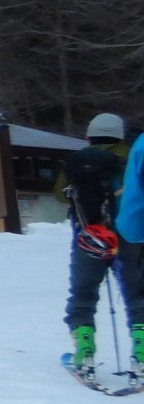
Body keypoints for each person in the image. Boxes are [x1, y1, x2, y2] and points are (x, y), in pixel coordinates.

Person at [63, 112, 143, 367]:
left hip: (89, 236)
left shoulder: (77, 161)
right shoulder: (130, 156)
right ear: (120, 134)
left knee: (83, 292)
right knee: (137, 293)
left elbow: (58, 194)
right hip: (129, 236)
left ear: (88, 136)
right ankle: (141, 349)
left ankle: (84, 346)